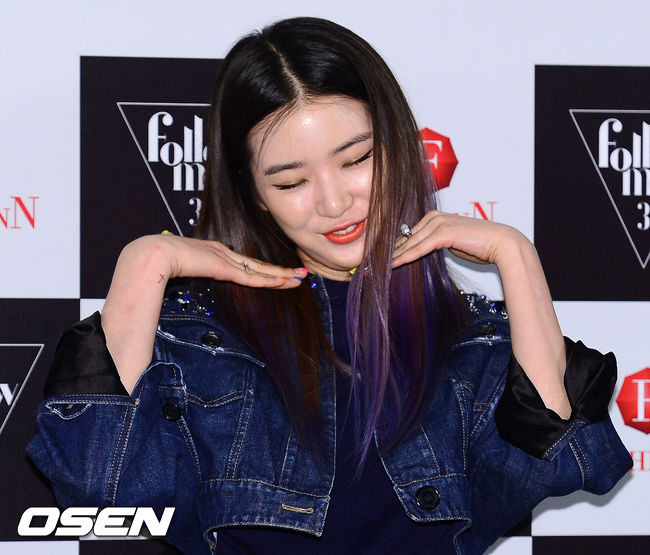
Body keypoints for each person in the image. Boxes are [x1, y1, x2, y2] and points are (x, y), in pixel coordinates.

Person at [28, 16, 631, 555]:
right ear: (254, 196)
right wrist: (143, 261)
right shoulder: (196, 340)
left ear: (398, 145)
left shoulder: (466, 337)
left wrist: (517, 256)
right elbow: (103, 490)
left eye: (356, 159)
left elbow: (558, 460)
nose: (335, 202)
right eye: (291, 182)